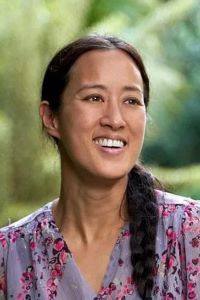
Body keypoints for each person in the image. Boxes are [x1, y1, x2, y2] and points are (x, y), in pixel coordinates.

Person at [0, 35, 199, 300]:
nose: (115, 120)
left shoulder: (189, 232)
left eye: (131, 101)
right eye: (94, 98)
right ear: (51, 118)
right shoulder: (9, 257)